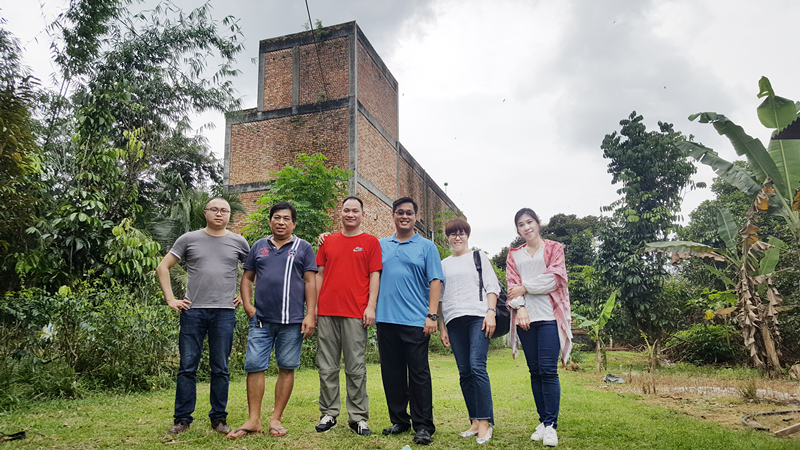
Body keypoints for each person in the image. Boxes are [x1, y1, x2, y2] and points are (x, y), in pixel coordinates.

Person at [156, 197, 250, 436]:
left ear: (229, 215)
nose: (219, 214)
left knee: (221, 367)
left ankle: (219, 418)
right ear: (206, 213)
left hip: (225, 312)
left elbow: (253, 271)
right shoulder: (188, 239)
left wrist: (244, 296)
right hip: (193, 311)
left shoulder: (239, 241)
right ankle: (182, 419)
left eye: (224, 210)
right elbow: (162, 267)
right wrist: (170, 299)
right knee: (187, 367)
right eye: (214, 209)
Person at [227, 202, 318, 439]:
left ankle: (275, 418)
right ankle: (253, 419)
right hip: (261, 320)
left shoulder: (303, 247)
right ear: (270, 221)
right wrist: (249, 306)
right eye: (277, 217)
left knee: (286, 367)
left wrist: (310, 314)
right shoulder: (258, 246)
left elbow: (310, 281)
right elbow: (247, 278)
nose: (281, 222)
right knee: (254, 366)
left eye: (286, 218)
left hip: (293, 321)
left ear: (294, 224)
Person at [375, 197, 443, 446]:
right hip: (385, 319)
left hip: (416, 321)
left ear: (416, 217)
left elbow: (435, 280)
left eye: (409, 213)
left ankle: (423, 426)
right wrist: (325, 237)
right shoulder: (381, 245)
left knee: (418, 374)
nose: (404, 216)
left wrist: (432, 315)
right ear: (393, 215)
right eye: (400, 212)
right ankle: (399, 421)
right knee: (391, 373)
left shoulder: (427, 247)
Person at [313, 196, 382, 436]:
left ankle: (358, 418)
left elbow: (374, 275)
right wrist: (315, 307)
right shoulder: (327, 241)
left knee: (356, 368)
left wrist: (371, 306)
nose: (350, 214)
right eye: (346, 210)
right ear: (340, 213)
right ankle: (329, 413)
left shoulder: (371, 242)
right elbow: (319, 275)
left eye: (355, 211)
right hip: (327, 312)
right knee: (327, 366)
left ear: (362, 214)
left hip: (355, 313)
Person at [505, 208, 572, 448]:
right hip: (525, 319)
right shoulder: (514, 255)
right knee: (534, 371)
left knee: (548, 371)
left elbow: (554, 280)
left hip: (549, 317)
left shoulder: (554, 248)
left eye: (529, 222)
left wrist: (524, 287)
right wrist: (521, 307)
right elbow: (511, 287)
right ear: (517, 229)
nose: (526, 227)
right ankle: (543, 421)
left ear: (538, 223)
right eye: (521, 224)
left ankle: (551, 425)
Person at [437, 218, 500, 445]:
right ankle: (474, 420)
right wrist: (442, 327)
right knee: (464, 371)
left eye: (461, 233)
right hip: (454, 320)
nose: (457, 237)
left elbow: (492, 287)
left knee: (477, 366)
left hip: (478, 317)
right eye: (453, 234)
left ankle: (485, 422)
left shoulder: (478, 256)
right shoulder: (443, 264)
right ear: (447, 237)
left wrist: (491, 312)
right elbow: (440, 298)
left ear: (467, 236)